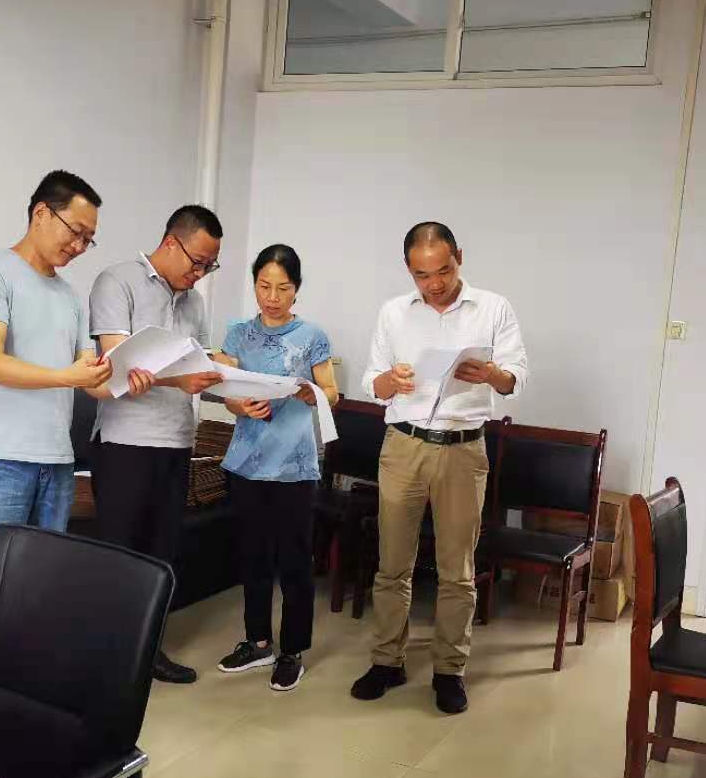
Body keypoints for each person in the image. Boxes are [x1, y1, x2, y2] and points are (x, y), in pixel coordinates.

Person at [349, 222, 528, 714]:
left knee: (457, 570)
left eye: (443, 271)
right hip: (403, 447)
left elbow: (515, 379)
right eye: (422, 275)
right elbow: (371, 382)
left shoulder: (493, 308)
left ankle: (450, 670)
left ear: (459, 257)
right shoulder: (393, 312)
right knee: (392, 564)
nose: (434, 284)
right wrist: (389, 381)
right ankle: (387, 661)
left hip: (464, 449)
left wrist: (490, 374)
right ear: (409, 270)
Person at [88, 205, 226, 684]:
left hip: (177, 441)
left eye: (210, 265)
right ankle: (107, 661)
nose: (200, 273)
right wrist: (179, 379)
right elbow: (115, 366)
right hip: (125, 442)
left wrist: (232, 383)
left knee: (162, 556)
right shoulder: (117, 281)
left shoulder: (194, 302)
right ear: (171, 243)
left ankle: (148, 652)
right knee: (120, 556)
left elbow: (201, 367)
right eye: (198, 262)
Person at [0, 168, 113, 578]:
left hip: (57, 461)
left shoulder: (70, 296)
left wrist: (133, 376)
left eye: (88, 239)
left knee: (39, 584)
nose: (79, 246)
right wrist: (70, 377)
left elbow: (88, 375)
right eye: (75, 232)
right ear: (41, 213)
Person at [213, 245, 339, 692]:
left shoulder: (312, 335)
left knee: (294, 560)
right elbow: (223, 387)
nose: (272, 297)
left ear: (296, 289)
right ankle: (258, 641)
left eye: (282, 288)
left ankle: (292, 651)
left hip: (294, 466)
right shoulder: (238, 334)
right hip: (246, 462)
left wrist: (311, 393)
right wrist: (238, 404)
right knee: (253, 556)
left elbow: (331, 391)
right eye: (264, 286)